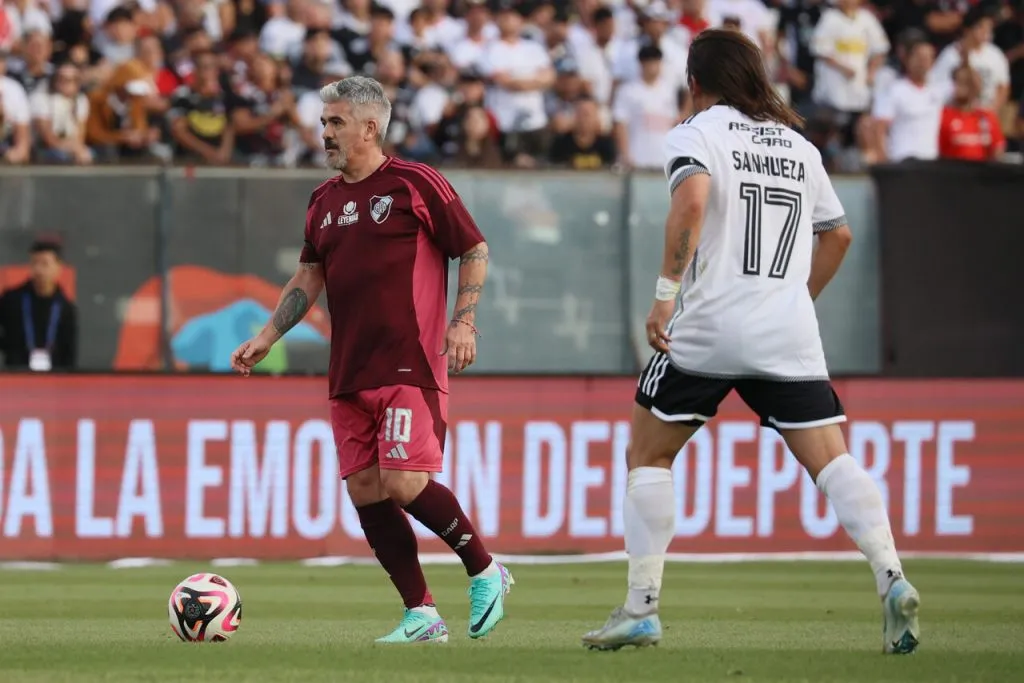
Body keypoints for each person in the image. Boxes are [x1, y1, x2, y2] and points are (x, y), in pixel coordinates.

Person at [581, 29, 920, 655]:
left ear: (695, 81)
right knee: (833, 461)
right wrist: (793, 299)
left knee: (649, 456)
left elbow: (692, 201)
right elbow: (838, 237)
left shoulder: (696, 131)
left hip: (708, 324)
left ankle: (641, 608)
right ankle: (892, 576)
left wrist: (662, 294)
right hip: (786, 330)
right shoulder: (799, 145)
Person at [229, 75, 512, 644]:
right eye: (323, 122)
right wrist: (268, 335)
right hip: (349, 370)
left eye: (335, 122)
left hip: (408, 362)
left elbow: (474, 249)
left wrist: (464, 320)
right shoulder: (322, 201)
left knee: (404, 482)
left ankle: (485, 570)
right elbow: (310, 275)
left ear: (370, 127)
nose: (325, 133)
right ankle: (421, 614)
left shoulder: (415, 183)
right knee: (366, 490)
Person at [0, 238, 77, 371]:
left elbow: (69, 353)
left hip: (55, 380)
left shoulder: (65, 308)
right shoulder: (11, 300)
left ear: (58, 267)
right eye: (34, 263)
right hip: (16, 378)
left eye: (45, 264)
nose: (39, 270)